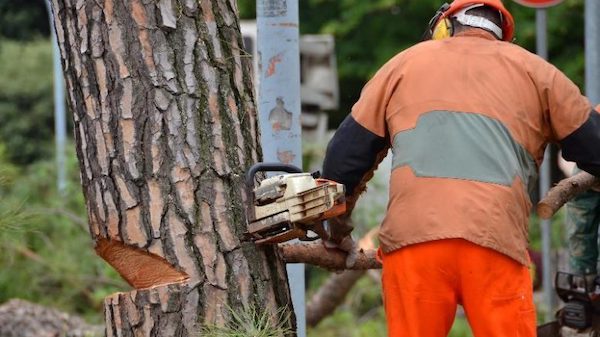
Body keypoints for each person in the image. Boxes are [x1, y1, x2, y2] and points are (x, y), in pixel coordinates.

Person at [320, 1, 600, 336]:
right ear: (503, 36)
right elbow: (594, 149)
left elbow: (342, 162)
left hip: (413, 244)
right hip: (495, 242)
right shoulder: (538, 72)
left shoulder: (402, 64)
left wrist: (338, 232)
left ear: (445, 26)